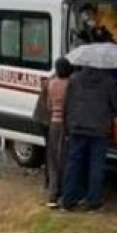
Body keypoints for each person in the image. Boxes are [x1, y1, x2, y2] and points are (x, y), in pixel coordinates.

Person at [60, 65, 117, 212]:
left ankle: (68, 199)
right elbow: (116, 104)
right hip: (99, 129)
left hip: (77, 126)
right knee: (97, 165)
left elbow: (67, 104)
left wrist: (68, 125)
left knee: (74, 163)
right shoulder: (109, 82)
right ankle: (93, 201)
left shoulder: (74, 79)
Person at [34, 57, 72, 208]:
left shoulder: (51, 83)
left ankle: (52, 193)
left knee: (52, 160)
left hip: (51, 123)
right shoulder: (70, 84)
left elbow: (48, 105)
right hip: (64, 125)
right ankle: (62, 193)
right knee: (64, 159)